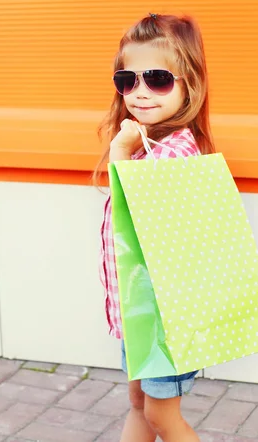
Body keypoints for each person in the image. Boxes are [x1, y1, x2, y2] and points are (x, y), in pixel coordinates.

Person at [94, 12, 215, 442]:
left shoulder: (174, 153)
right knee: (139, 407)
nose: (140, 92)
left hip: (166, 323)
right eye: (128, 80)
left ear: (189, 83)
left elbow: (145, 226)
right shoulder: (149, 146)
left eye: (159, 78)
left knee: (163, 416)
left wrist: (120, 152)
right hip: (138, 316)